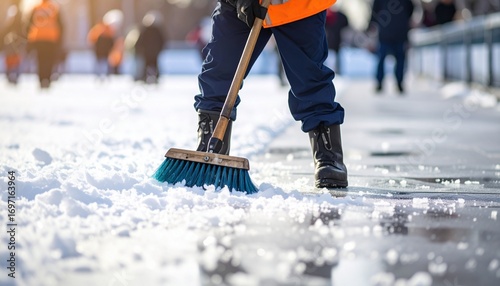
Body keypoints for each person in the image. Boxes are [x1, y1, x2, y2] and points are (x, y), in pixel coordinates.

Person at [192, 0, 348, 188]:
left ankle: (328, 155)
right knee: (220, 70)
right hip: (240, 6)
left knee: (309, 77)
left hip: (297, 6)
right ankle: (210, 145)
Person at [368, 0, 414, 94]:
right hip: (398, 32)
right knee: (398, 59)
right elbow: (410, 10)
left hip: (387, 32)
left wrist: (371, 25)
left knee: (383, 58)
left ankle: (381, 83)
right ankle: (398, 83)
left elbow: (375, 12)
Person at [26, 0, 64, 89]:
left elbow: (29, 23)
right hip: (51, 38)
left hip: (38, 38)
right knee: (49, 60)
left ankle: (41, 79)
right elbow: (60, 24)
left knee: (40, 59)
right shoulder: (54, 8)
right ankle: (47, 79)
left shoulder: (36, 8)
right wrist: (60, 38)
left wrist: (29, 37)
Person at [135, 11, 166, 84]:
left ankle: (152, 77)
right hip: (150, 52)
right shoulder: (147, 30)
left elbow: (162, 41)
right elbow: (141, 40)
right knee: (149, 65)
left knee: (151, 65)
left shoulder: (155, 30)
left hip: (150, 52)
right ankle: (147, 77)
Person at [1, 4, 25, 85]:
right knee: (14, 57)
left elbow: (7, 26)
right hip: (15, 38)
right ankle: (14, 74)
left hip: (13, 38)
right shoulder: (18, 13)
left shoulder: (12, 12)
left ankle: (12, 73)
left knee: (13, 57)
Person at [325, 6, 349, 75]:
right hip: (328, 40)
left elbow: (346, 27)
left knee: (337, 56)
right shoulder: (326, 15)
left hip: (337, 40)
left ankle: (338, 71)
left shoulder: (341, 16)